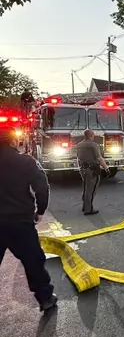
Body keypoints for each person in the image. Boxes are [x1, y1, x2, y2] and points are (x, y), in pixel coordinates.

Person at [0, 123, 57, 312]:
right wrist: (40, 211)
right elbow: (42, 186)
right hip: (20, 223)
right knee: (33, 261)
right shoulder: (26, 161)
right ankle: (45, 298)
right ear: (14, 141)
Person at [75, 129, 108, 215]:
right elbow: (99, 158)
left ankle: (85, 206)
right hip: (92, 170)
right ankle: (88, 209)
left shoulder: (78, 145)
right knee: (91, 190)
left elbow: (78, 158)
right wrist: (106, 168)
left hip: (83, 169)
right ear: (91, 136)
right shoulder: (94, 145)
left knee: (86, 188)